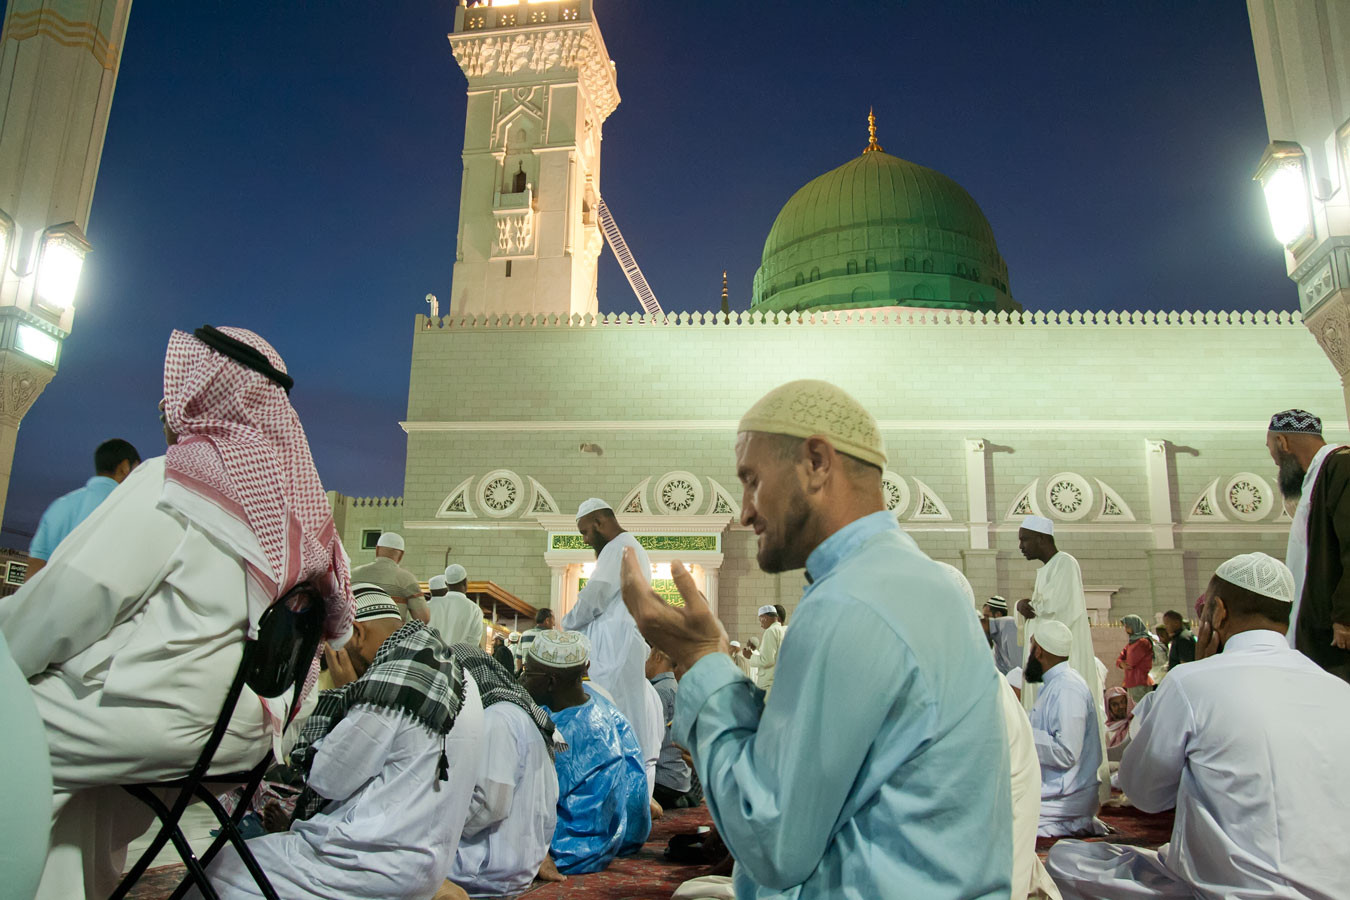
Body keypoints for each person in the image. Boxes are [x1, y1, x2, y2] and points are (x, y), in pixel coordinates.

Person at [0, 325, 356, 900]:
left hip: (167, 720)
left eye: (174, 394)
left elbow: (64, 605)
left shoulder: (175, 483)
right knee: (83, 787)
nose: (167, 409)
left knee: (14, 727)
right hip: (248, 734)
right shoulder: (302, 517)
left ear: (201, 394)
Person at [620, 379, 1013, 899]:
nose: (746, 511)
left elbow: (771, 842)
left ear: (816, 463)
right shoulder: (908, 580)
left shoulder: (853, 600)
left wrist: (700, 659)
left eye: (752, 480)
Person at [1046, 552, 1350, 899]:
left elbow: (1144, 794)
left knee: (1067, 860)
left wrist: (1195, 670)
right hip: (1335, 890)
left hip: (1229, 891)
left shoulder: (1191, 682)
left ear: (1218, 612)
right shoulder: (1339, 690)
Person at [200, 585, 484, 900]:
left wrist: (345, 691)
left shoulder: (392, 678)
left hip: (365, 866)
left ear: (356, 633)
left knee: (218, 870)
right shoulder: (457, 673)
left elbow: (327, 779)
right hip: (427, 867)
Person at [519, 629, 650, 875]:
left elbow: (528, 800)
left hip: (565, 852)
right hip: (609, 843)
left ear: (551, 681)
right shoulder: (606, 708)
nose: (522, 679)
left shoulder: (560, 733)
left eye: (528, 673)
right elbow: (636, 791)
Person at [447, 643, 562, 898]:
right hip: (517, 862)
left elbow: (489, 805)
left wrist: (442, 825)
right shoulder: (516, 712)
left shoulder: (497, 719)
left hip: (487, 870)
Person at [1015, 515, 1109, 800]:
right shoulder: (1046, 570)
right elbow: (1039, 612)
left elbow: (1057, 612)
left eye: (1024, 540)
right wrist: (1023, 606)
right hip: (1042, 661)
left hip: (1060, 661)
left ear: (1042, 539)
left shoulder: (1065, 563)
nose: (1021, 546)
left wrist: (1028, 607)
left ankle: (1074, 790)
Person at [563, 499, 659, 779]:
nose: (584, 540)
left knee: (613, 720)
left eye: (585, 532)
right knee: (624, 719)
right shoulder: (630, 547)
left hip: (614, 649)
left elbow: (594, 597)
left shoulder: (618, 547)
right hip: (619, 646)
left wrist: (566, 625)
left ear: (599, 522)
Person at [1267, 408, 1350, 681]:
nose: (1274, 460)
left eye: (1271, 449)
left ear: (1282, 442)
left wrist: (1345, 616)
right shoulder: (1318, 476)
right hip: (1321, 631)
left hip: (1337, 636)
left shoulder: (1342, 466)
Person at [1026, 619, 1104, 838]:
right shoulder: (1055, 685)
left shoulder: (1067, 687)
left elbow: (1066, 752)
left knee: (991, 816)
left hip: (1066, 797)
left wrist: (1020, 733)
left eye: (1031, 648)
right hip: (1057, 791)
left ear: (1039, 651)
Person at [26, 438, 141, 579]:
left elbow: (36, 566)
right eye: (138, 470)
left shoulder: (60, 506)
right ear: (124, 468)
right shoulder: (132, 508)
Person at [646, 647, 697, 810]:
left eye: (648, 657)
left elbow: (651, 741)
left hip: (664, 781)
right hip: (682, 779)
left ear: (657, 657)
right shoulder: (679, 688)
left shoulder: (658, 691)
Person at [350, 532, 429, 624]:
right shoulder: (407, 579)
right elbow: (423, 618)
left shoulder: (353, 574)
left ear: (377, 549)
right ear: (401, 555)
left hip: (357, 631)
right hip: (393, 633)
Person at [429, 564, 483, 647]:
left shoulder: (430, 606)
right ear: (465, 582)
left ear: (446, 584)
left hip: (431, 654)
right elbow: (473, 644)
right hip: (459, 655)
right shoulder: (474, 610)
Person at [741, 604, 785, 695]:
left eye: (760, 620)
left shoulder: (770, 631)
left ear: (765, 617)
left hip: (768, 685)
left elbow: (767, 660)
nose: (761, 625)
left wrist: (750, 656)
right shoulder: (781, 630)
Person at [1114, 615, 1153, 701]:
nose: (1126, 630)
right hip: (1132, 681)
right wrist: (1121, 663)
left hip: (1140, 681)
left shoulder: (1143, 642)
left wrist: (1123, 662)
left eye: (1128, 627)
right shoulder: (1132, 643)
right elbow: (1120, 658)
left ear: (1134, 626)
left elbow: (1131, 662)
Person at [984, 595, 1021, 674]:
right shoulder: (996, 636)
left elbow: (1018, 668)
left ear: (998, 614)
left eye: (986, 616)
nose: (984, 621)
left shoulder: (1009, 627)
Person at [1103, 686, 1134, 759]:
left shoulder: (1136, 722)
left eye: (1123, 702)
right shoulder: (1105, 730)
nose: (1121, 706)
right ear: (1109, 708)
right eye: (1115, 704)